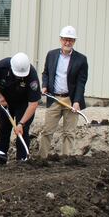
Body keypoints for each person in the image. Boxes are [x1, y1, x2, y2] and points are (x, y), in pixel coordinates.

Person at [38, 26, 89, 158]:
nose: (68, 43)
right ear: (60, 40)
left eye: (71, 40)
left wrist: (77, 101)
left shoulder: (81, 60)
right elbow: (46, 73)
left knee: (69, 133)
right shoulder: (51, 55)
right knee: (47, 131)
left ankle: (66, 160)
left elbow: (81, 83)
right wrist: (44, 86)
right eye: (65, 39)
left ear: (74, 42)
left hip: (70, 100)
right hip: (54, 98)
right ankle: (41, 159)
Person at [0, 52, 41, 163]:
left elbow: (33, 104)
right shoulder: (0, 67)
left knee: (22, 131)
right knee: (3, 129)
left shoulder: (31, 74)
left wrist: (21, 123)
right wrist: (0, 97)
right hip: (4, 101)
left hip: (23, 104)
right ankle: (0, 161)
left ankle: (22, 161)